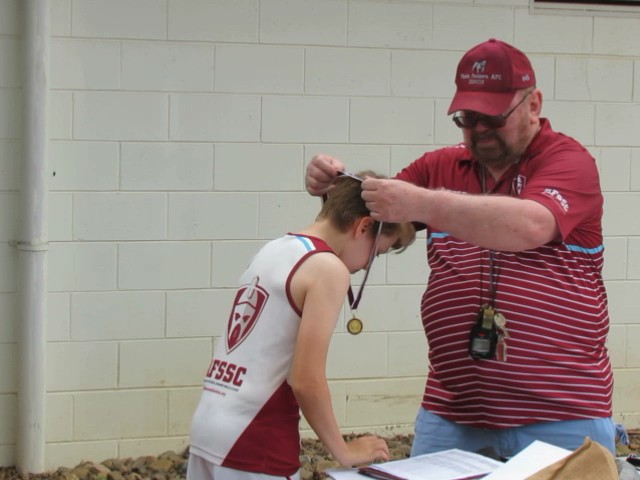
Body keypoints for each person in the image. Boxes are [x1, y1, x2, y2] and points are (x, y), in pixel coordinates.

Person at [305, 38, 616, 459]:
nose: (479, 130)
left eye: (492, 117)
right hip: (452, 413)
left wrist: (422, 202)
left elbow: (530, 225)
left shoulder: (567, 162)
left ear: (533, 104)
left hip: (561, 414)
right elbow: (373, 227)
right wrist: (333, 190)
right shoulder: (440, 166)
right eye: (467, 119)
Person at [187, 171, 416, 480]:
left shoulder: (273, 249)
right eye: (376, 254)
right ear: (363, 227)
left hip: (209, 426)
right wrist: (343, 451)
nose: (365, 266)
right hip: (255, 440)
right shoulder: (328, 269)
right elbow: (306, 379)